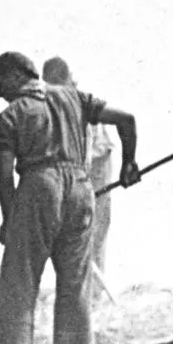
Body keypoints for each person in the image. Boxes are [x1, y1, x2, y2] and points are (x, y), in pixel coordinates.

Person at [0, 50, 139, 344]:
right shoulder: (75, 98)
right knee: (75, 286)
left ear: (16, 76)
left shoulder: (10, 116)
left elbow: (4, 178)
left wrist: (8, 221)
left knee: (18, 283)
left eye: (0, 83)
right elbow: (127, 120)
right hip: (82, 192)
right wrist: (129, 164)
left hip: (40, 186)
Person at [42, 56, 116, 286]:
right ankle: (83, 289)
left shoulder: (77, 104)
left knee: (92, 231)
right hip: (83, 167)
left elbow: (84, 153)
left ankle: (93, 295)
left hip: (98, 166)